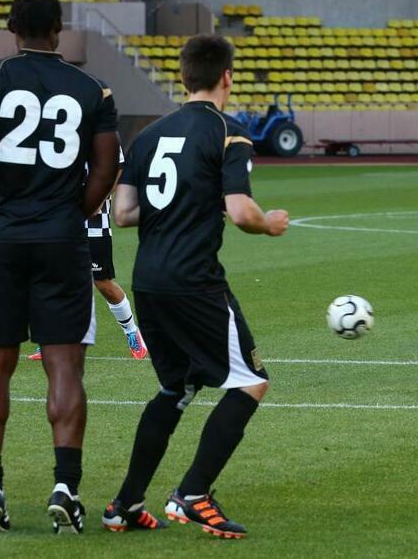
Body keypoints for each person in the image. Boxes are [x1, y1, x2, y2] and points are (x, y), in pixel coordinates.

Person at [0, 0, 120, 534]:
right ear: (60, 29)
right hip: (60, 237)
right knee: (64, 364)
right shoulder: (93, 88)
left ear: (10, 27)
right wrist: (76, 210)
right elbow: (108, 165)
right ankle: (66, 487)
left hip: (1, 235)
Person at [102, 34, 288, 539]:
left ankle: (125, 504)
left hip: (149, 281)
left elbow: (123, 214)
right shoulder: (230, 133)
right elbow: (241, 212)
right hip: (194, 281)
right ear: (227, 76)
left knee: (175, 386)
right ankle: (193, 494)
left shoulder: (148, 135)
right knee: (250, 381)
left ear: (184, 78)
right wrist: (268, 222)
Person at [29, 150, 147, 363]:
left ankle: (131, 331)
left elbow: (119, 167)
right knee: (55, 280)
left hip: (94, 223)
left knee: (103, 283)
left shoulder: (103, 130)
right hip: (60, 220)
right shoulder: (61, 125)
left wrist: (101, 198)